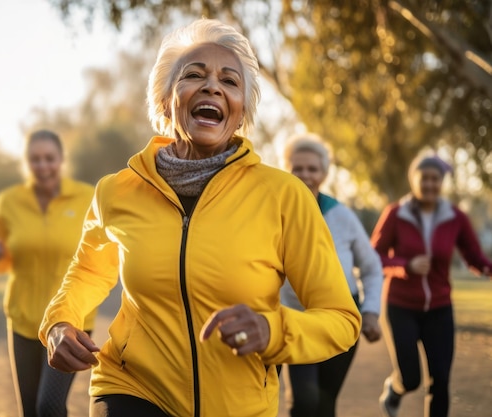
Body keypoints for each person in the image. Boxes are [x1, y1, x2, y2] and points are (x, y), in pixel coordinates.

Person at [39, 18, 361, 417]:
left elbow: (341, 319)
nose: (213, 86)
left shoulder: (284, 196)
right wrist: (59, 323)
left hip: (238, 404)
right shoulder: (116, 191)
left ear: (241, 114)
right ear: (164, 101)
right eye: (194, 75)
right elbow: (88, 273)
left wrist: (273, 330)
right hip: (131, 386)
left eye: (230, 81)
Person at [0, 129, 97, 417]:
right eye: (35, 159)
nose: (43, 166)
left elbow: (100, 255)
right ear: (26, 163)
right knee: (30, 410)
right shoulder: (9, 201)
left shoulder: (87, 198)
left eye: (49, 158)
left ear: (61, 160)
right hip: (23, 321)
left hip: (70, 322)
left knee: (48, 407)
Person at [370, 153, 492, 417]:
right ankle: (396, 389)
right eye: (423, 178)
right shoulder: (395, 214)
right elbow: (374, 257)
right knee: (411, 377)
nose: (429, 184)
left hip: (439, 308)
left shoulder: (456, 217)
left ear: (442, 182)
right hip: (401, 306)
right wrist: (406, 266)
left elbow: (474, 255)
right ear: (413, 180)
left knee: (440, 381)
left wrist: (487, 268)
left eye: (435, 179)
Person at [279, 133, 384, 417]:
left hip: (340, 317)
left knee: (325, 405)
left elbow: (372, 267)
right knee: (304, 403)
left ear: (324, 173)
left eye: (312, 169)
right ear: (286, 170)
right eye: (297, 168)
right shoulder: (275, 211)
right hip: (295, 319)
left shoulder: (342, 216)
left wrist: (371, 311)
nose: (305, 175)